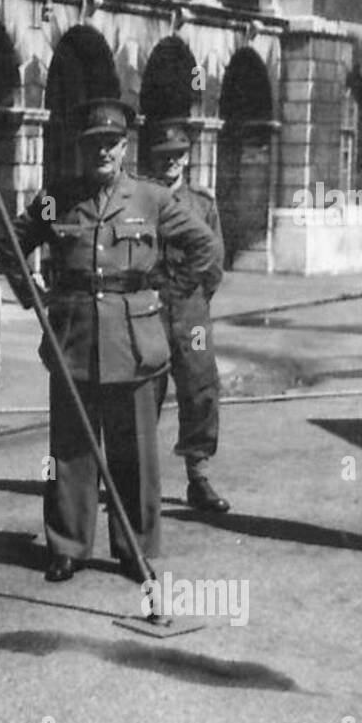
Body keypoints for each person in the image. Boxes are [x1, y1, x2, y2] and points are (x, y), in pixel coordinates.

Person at [0, 98, 221, 583]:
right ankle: (67, 544)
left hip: (135, 338)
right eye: (94, 144)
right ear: (83, 148)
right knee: (69, 449)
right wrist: (32, 296)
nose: (103, 152)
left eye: (111, 144)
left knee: (134, 451)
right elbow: (11, 242)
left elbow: (205, 245)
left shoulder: (151, 198)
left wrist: (167, 296)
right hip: (73, 337)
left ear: (124, 147)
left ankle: (134, 547)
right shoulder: (60, 197)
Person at [148, 122, 229, 512]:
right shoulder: (138, 199)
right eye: (163, 154)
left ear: (187, 157)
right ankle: (134, 481)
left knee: (200, 390)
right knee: (143, 394)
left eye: (177, 153)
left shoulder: (202, 203)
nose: (170, 161)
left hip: (189, 310)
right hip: (147, 309)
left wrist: (191, 298)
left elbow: (214, 264)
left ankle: (198, 477)